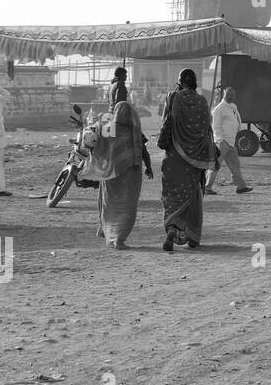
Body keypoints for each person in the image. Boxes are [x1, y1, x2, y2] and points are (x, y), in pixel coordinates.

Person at [158, 69, 217, 251]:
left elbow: (166, 121)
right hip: (196, 158)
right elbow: (208, 128)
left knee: (173, 196)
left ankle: (171, 232)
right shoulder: (202, 101)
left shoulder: (173, 97)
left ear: (180, 81)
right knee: (193, 195)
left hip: (174, 157)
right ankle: (192, 236)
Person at [84, 96, 152, 248]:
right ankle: (118, 238)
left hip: (111, 174)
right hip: (130, 176)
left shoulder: (108, 129)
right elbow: (144, 150)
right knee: (127, 206)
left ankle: (107, 230)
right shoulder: (134, 131)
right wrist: (148, 167)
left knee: (110, 203)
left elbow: (95, 146)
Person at [207, 86, 252, 195]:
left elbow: (236, 120)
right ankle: (206, 187)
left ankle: (241, 186)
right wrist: (220, 140)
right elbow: (216, 126)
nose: (230, 96)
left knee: (235, 164)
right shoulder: (219, 109)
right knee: (215, 165)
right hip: (222, 142)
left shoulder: (233, 107)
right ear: (224, 95)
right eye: (228, 94)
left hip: (231, 142)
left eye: (232, 95)